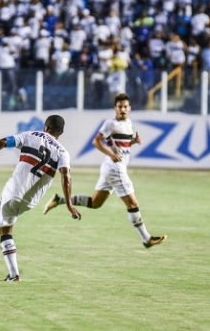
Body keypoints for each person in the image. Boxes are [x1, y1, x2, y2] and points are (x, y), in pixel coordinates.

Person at [0, 115, 80, 281]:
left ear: (45, 126)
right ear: (61, 132)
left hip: (13, 190)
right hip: (31, 200)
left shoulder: (30, 135)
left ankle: (14, 274)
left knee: (5, 230)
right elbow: (66, 176)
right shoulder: (63, 152)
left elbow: (2, 142)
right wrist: (69, 204)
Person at [43, 93, 166, 249]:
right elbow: (96, 141)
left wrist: (133, 141)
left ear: (130, 108)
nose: (123, 109)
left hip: (111, 168)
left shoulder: (128, 123)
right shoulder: (110, 124)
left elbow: (122, 145)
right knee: (133, 203)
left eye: (125, 107)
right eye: (120, 107)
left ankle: (59, 200)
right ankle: (146, 238)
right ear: (115, 108)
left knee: (95, 203)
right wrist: (111, 154)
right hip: (115, 168)